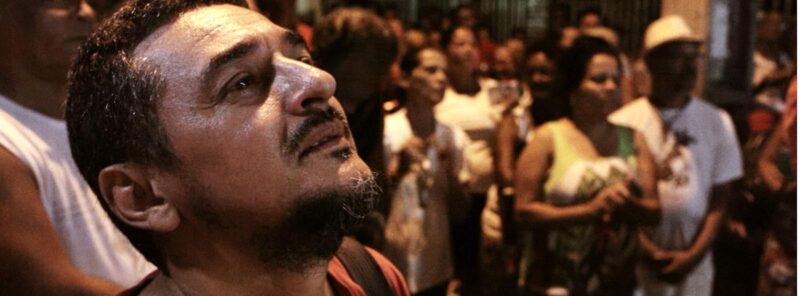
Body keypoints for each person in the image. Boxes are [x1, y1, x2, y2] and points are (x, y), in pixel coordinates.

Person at [65, 1, 409, 295]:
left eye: (303, 59)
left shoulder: (373, 275)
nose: (320, 81)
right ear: (142, 196)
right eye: (242, 82)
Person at [0, 0, 154, 294]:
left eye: (87, 1)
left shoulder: (105, 113)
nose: (85, 12)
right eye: (60, 2)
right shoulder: (6, 141)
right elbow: (50, 285)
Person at [608, 16, 744, 296]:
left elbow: (720, 198)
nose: (689, 67)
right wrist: (647, 250)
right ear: (652, 63)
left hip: (694, 267)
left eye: (693, 58)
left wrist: (694, 254)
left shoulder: (718, 121)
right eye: (676, 58)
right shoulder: (622, 123)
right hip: (636, 266)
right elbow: (618, 194)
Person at [514, 36, 660, 296]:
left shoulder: (634, 137)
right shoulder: (549, 137)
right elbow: (524, 211)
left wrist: (628, 204)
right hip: (556, 281)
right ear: (573, 87)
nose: (611, 87)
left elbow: (653, 210)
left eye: (616, 79)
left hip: (616, 282)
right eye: (599, 79)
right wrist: (589, 210)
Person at [383, 47, 469, 295]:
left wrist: (449, 173)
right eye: (431, 70)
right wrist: (397, 171)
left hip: (435, 266)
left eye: (444, 71)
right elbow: (367, 204)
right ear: (405, 78)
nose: (441, 78)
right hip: (390, 260)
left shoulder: (453, 138)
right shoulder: (387, 132)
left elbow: (462, 214)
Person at [313, 7, 399, 248]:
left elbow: (374, 168)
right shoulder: (305, 98)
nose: (383, 75)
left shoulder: (371, 101)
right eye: (375, 62)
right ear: (344, 58)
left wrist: (376, 218)